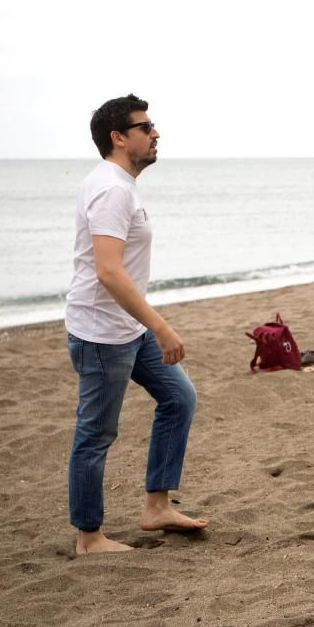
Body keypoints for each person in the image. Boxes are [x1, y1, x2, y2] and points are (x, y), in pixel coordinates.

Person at [65, 94, 207, 555]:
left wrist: (145, 326)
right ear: (118, 137)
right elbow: (108, 272)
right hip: (101, 335)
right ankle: (89, 537)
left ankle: (157, 506)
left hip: (126, 328)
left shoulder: (121, 184)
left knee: (178, 396)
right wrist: (160, 326)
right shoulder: (111, 189)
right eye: (145, 127)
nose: (155, 133)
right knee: (96, 434)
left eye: (152, 126)